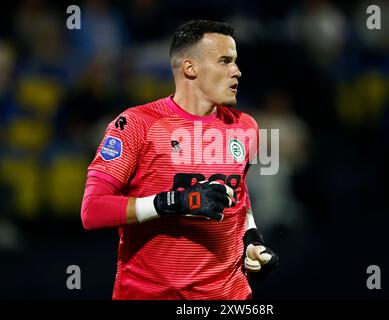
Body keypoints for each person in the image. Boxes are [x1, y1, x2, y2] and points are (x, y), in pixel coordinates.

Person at [81, 20, 279, 300]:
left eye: (235, 61)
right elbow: (92, 210)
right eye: (224, 61)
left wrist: (251, 238)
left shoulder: (245, 127)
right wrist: (171, 203)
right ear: (190, 68)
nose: (237, 71)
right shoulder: (137, 124)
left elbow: (238, 195)